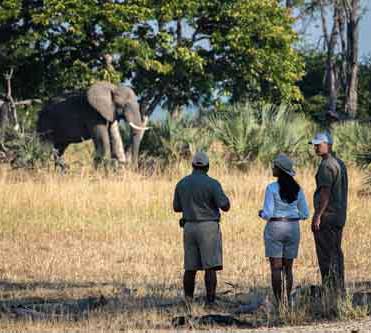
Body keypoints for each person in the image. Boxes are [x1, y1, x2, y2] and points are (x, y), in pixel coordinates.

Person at [173, 151, 230, 307]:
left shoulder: (182, 183)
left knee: (190, 267)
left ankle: (188, 300)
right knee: (210, 266)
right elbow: (225, 206)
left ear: (192, 165)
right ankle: (210, 301)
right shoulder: (213, 184)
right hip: (208, 227)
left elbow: (176, 207)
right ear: (208, 166)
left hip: (189, 227)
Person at [259, 153, 309, 303]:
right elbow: (305, 213)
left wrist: (261, 213)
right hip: (293, 227)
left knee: (276, 268)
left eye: (274, 166)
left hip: (275, 227)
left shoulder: (271, 188)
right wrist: (292, 215)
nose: (272, 168)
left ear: (279, 170)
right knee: (288, 268)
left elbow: (267, 213)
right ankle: (288, 301)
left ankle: (279, 302)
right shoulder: (297, 189)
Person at [309, 132, 348, 292]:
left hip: (327, 216)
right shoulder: (339, 163)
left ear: (329, 145)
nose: (316, 147)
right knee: (336, 252)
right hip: (339, 215)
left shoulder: (326, 165)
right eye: (315, 144)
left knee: (326, 255)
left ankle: (330, 290)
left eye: (319, 144)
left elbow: (325, 192)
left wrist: (317, 216)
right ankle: (339, 288)